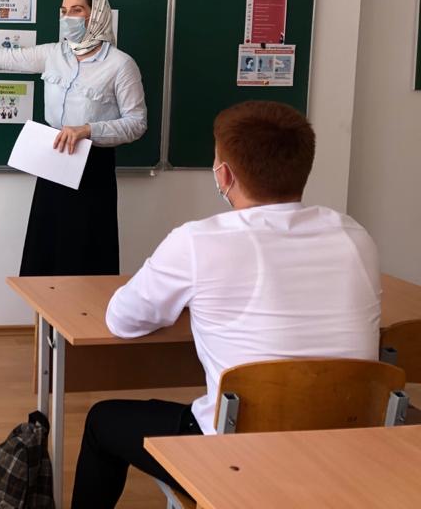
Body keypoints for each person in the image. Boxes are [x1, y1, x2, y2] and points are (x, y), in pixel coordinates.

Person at [70, 101, 381, 509]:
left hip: (239, 454)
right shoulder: (354, 236)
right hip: (346, 448)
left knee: (102, 421)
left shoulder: (198, 241)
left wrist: (192, 302)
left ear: (225, 175)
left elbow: (122, 320)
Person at [0, 0, 147, 276]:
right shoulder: (54, 54)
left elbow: (137, 123)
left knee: (85, 251)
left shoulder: (120, 65)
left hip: (92, 166)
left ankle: (82, 306)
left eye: (77, 10)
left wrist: (87, 129)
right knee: (46, 248)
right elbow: (4, 59)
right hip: (54, 159)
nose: (68, 18)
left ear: (97, 15)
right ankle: (44, 307)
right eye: (63, 11)